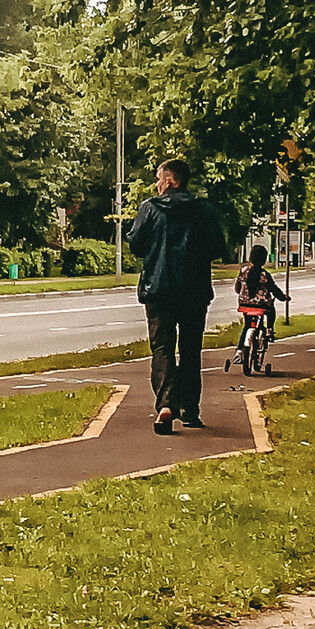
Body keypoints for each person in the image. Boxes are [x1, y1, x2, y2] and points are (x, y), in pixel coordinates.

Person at [126, 159, 226, 435]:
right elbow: (218, 246)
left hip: (158, 289)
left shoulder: (149, 209)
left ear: (170, 180)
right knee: (191, 349)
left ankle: (166, 405)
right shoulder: (204, 210)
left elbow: (136, 244)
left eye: (159, 178)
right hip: (194, 291)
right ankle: (190, 409)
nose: (156, 184)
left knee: (162, 347)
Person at [232, 244, 290, 363]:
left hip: (245, 304)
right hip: (262, 305)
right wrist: (283, 298)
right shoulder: (264, 275)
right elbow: (273, 289)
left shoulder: (243, 271)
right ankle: (269, 329)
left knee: (247, 326)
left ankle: (238, 352)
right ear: (264, 259)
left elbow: (237, 288)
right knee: (271, 310)